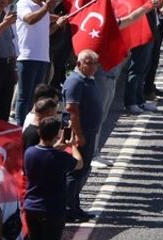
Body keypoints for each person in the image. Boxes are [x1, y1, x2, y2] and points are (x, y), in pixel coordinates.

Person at [24, 117, 80, 240]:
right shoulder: (61, 157)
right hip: (52, 210)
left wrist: (57, 146)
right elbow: (79, 163)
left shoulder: (29, 153)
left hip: (31, 207)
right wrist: (73, 146)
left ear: (39, 132)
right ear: (56, 135)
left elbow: (46, 152)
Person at [63, 50, 103, 222]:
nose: (94, 67)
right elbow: (71, 109)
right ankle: (67, 209)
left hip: (87, 131)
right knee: (74, 170)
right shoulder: (75, 81)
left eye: (95, 63)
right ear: (79, 64)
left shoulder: (87, 80)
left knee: (82, 169)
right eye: (90, 63)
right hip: (76, 132)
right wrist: (78, 135)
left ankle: (74, 206)